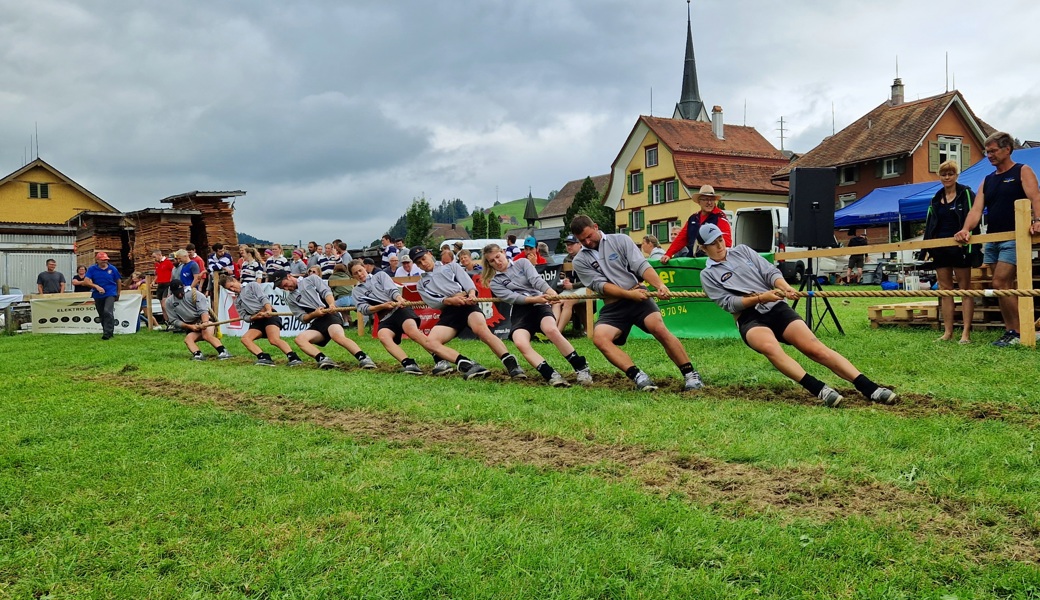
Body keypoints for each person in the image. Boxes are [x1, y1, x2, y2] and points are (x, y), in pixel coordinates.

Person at [698, 223, 896, 407]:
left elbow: (769, 272)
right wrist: (760, 298)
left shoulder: (742, 251)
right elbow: (729, 304)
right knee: (770, 347)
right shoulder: (707, 275)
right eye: (712, 244)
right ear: (703, 248)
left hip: (775, 305)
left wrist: (784, 287)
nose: (719, 245)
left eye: (720, 240)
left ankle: (870, 388)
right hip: (749, 317)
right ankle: (819, 389)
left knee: (815, 348)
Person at [569, 215, 703, 391]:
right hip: (614, 306)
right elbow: (601, 286)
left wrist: (660, 285)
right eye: (582, 240)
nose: (587, 242)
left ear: (595, 227)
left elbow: (641, 265)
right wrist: (627, 294)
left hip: (639, 297)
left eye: (589, 236)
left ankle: (691, 374)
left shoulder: (621, 240)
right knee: (600, 338)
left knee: (659, 329)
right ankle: (639, 376)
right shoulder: (579, 261)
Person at [955, 132, 1040, 346]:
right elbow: (976, 210)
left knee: (999, 282)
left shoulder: (1022, 171)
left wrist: (1038, 220)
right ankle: (1011, 330)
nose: (989, 155)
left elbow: (1036, 197)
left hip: (1015, 236)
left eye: (993, 151)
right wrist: (966, 229)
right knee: (1004, 286)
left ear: (1007, 149)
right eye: (987, 151)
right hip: (992, 238)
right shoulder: (987, 180)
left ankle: (1023, 331)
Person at [349, 259, 489, 377]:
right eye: (355, 273)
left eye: (360, 270)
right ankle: (409, 364)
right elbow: (363, 309)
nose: (359, 274)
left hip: (400, 309)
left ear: (365, 267)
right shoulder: (356, 291)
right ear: (352, 276)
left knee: (412, 331)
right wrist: (382, 306)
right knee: (383, 336)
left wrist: (398, 299)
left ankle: (439, 359)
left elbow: (392, 290)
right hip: (384, 316)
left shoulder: (380, 276)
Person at [482, 244, 592, 387]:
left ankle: (581, 367)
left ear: (503, 252)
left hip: (540, 305)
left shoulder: (522, 263)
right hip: (520, 310)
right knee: (520, 342)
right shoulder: (495, 282)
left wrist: (551, 293)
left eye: (498, 256)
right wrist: (536, 299)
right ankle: (551, 375)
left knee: (551, 330)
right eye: (492, 261)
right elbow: (514, 298)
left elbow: (536, 280)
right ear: (489, 264)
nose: (497, 262)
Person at [410, 246, 524, 379]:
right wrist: (449, 300)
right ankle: (467, 365)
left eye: (424, 259)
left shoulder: (452, 267)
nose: (423, 263)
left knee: (481, 330)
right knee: (431, 343)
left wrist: (471, 294)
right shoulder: (421, 284)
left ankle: (511, 363)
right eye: (419, 263)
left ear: (430, 254)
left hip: (467, 305)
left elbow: (468, 284)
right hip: (449, 311)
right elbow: (432, 302)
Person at [271, 272, 376, 370]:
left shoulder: (311, 279)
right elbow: (303, 318)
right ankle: (323, 359)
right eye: (282, 288)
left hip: (330, 315)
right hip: (317, 322)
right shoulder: (290, 299)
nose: (285, 288)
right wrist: (314, 314)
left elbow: (326, 292)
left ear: (289, 276)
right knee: (300, 339)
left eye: (284, 284)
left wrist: (331, 304)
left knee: (337, 336)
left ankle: (363, 358)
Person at [923, 159, 979, 344]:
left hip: (961, 246)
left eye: (951, 174)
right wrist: (927, 247)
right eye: (944, 174)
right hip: (940, 247)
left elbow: (974, 215)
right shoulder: (935, 198)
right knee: (944, 289)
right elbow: (930, 224)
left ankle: (965, 334)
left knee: (964, 289)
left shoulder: (966, 193)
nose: (947, 177)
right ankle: (948, 332)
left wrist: (968, 237)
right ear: (939, 176)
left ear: (956, 175)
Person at [221, 275, 302, 366]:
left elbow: (263, 298)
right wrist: (254, 317)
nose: (232, 289)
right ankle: (263, 357)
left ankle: (293, 357)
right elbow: (244, 316)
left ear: (235, 280)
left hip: (269, 316)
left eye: (232, 286)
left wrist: (268, 311)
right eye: (229, 289)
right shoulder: (237, 300)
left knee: (274, 339)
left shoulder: (251, 285)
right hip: (257, 320)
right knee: (245, 339)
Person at [661, 184, 732, 263]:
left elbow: (726, 243)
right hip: (694, 260)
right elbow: (681, 238)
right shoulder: (693, 218)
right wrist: (668, 254)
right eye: (705, 199)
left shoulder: (720, 217)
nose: (709, 202)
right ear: (699, 201)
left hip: (712, 261)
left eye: (711, 199)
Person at [164, 281, 230, 361]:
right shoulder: (169, 302)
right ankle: (198, 354)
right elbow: (174, 320)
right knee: (188, 339)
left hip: (205, 321)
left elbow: (203, 311)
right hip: (191, 325)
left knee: (206, 334)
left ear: (183, 288)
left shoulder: (196, 295)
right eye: (177, 293)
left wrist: (205, 323)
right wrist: (190, 326)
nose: (180, 294)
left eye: (181, 292)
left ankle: (223, 351)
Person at [554, 234, 587, 336]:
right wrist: (565, 280)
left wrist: (572, 286)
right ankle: (552, 329)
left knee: (569, 301)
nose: (569, 247)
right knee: (556, 301)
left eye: (571, 244)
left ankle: (557, 334)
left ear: (580, 244)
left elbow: (589, 280)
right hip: (573, 289)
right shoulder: (567, 259)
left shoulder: (586, 256)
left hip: (587, 288)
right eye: (567, 245)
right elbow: (568, 277)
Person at [83, 252, 121, 340]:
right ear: (97, 260)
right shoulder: (92, 269)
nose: (105, 262)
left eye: (106, 260)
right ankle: (106, 331)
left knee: (107, 311)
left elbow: (118, 281)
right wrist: (96, 286)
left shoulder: (113, 269)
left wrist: (118, 293)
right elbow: (86, 281)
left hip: (110, 292)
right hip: (98, 294)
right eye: (103, 260)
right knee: (101, 313)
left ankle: (108, 333)